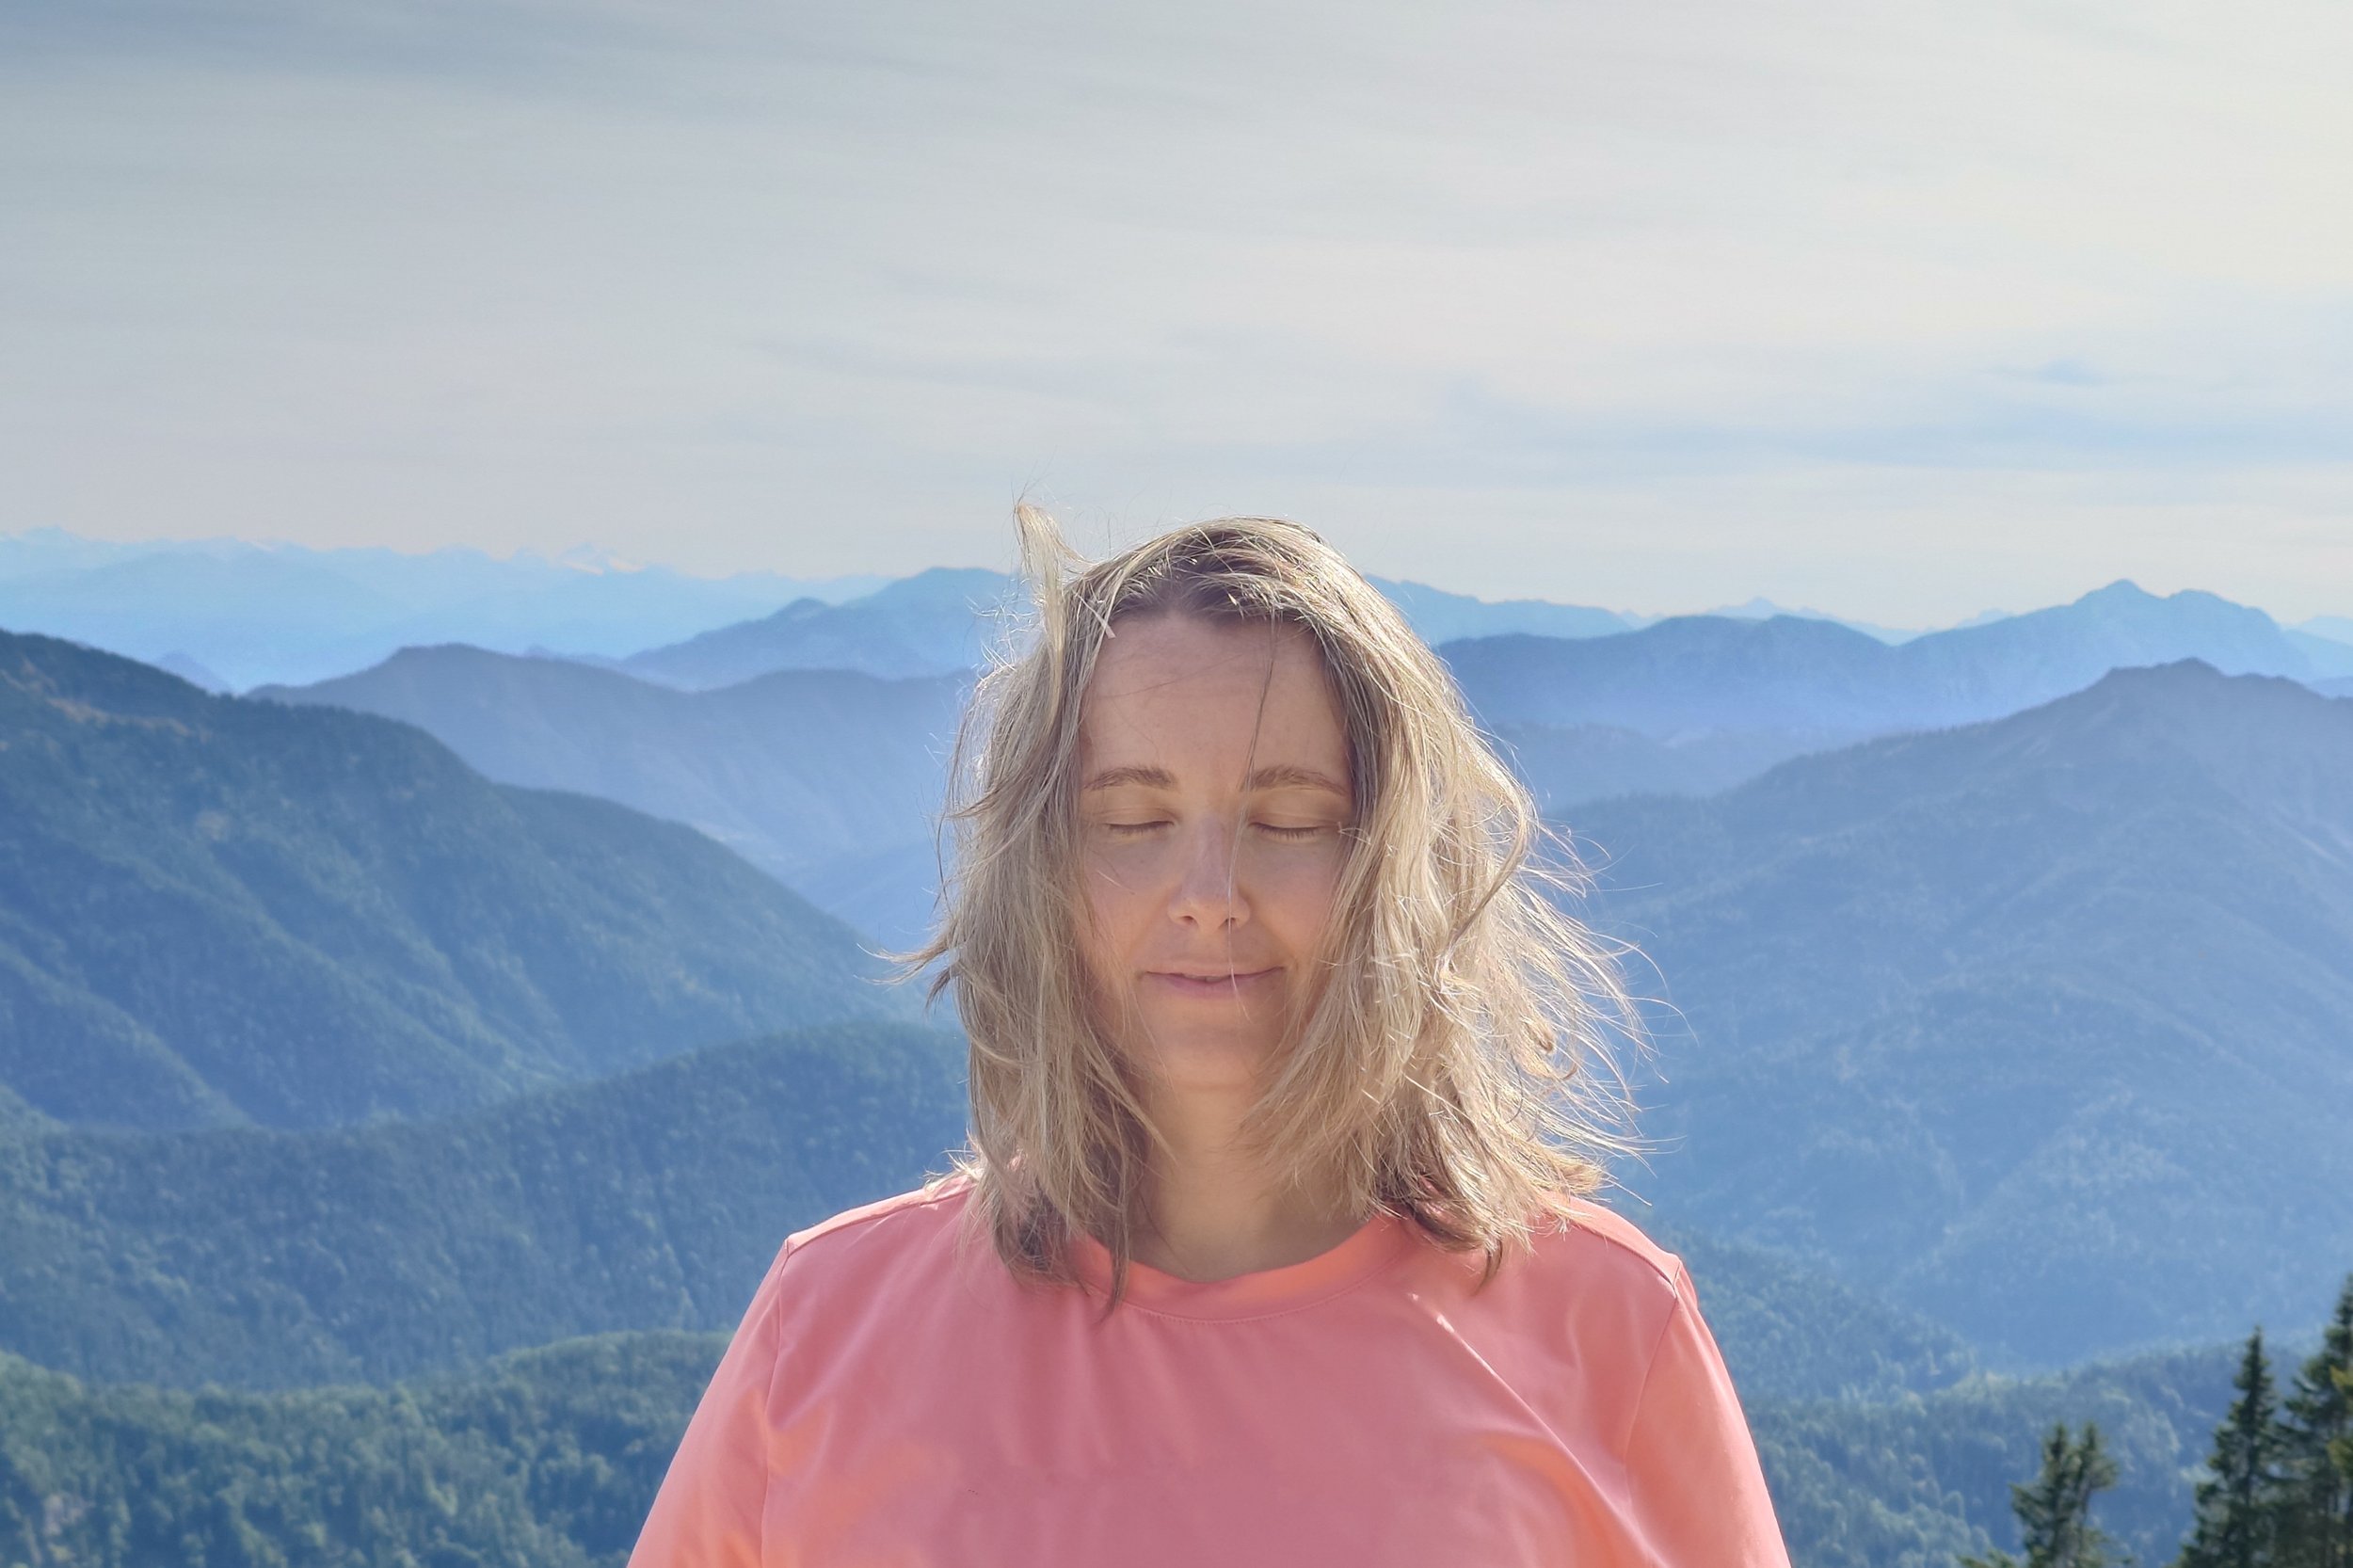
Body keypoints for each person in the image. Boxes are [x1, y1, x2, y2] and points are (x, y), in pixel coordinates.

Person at [627, 507, 1791, 1566]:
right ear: (1041, 873)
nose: (1208, 892)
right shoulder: (824, 1333)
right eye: (1133, 820)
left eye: (1290, 819)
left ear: (1398, 869)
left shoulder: (1611, 1334)